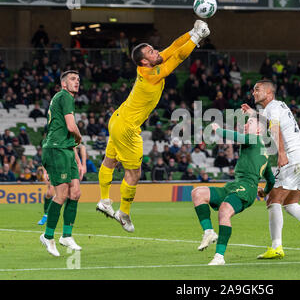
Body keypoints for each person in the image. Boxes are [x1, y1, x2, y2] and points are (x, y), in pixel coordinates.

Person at [96, 20, 210, 232]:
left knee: (109, 161)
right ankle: (124, 212)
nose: (156, 51)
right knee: (134, 173)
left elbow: (174, 47)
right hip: (127, 126)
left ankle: (104, 200)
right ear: (144, 61)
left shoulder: (150, 65)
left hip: (118, 118)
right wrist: (196, 39)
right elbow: (178, 57)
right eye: (150, 51)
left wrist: (191, 32)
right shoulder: (150, 74)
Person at [242, 80, 300, 259]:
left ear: (268, 93)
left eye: (257, 90)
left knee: (273, 200)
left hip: (294, 156)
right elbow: (269, 121)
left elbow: (274, 128)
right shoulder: (278, 106)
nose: (253, 93)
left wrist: (282, 154)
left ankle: (276, 247)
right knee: (290, 204)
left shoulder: (271, 107)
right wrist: (253, 113)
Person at [191, 118, 275, 265]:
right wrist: (265, 192)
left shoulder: (253, 138)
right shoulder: (263, 152)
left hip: (246, 189)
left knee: (224, 210)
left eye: (251, 122)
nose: (247, 124)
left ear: (259, 130)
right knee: (198, 193)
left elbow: (237, 137)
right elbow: (271, 180)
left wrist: (218, 130)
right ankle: (209, 232)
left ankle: (219, 256)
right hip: (235, 185)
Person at [39, 70, 85, 257]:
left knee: (75, 192)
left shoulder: (63, 97)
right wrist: (79, 138)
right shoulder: (65, 96)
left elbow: (67, 133)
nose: (77, 82)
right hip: (56, 149)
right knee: (61, 194)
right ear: (64, 84)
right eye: (73, 79)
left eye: (78, 79)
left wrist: (77, 159)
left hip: (65, 148)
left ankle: (66, 235)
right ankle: (48, 236)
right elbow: (71, 127)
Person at [37, 145, 87, 225]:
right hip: (55, 167)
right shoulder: (53, 138)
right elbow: (46, 155)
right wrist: (45, 172)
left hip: (70, 167)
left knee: (72, 194)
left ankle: (65, 224)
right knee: (50, 193)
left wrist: (82, 164)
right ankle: (46, 214)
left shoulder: (71, 138)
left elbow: (82, 147)